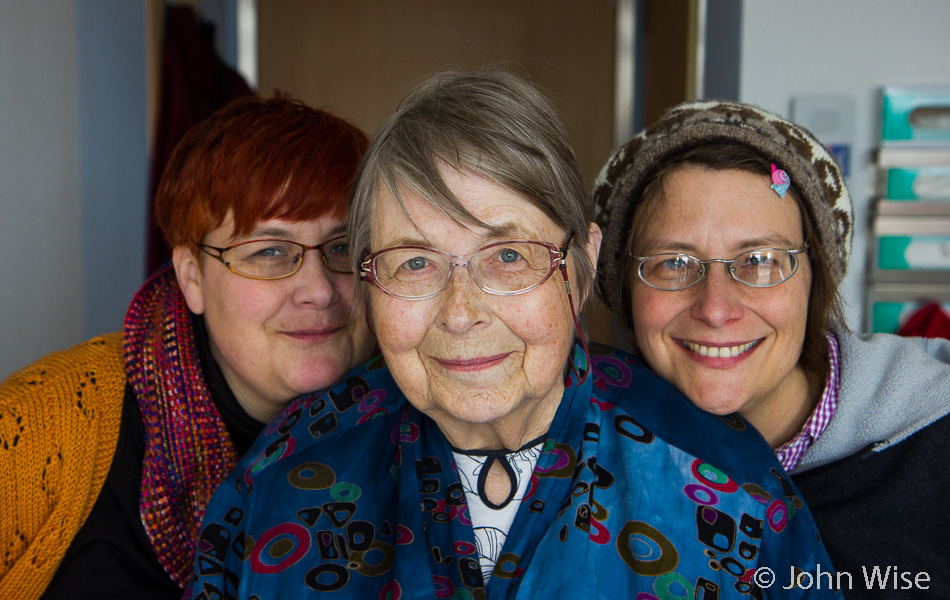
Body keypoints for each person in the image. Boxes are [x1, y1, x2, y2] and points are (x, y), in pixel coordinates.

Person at [186, 71, 839, 599]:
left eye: (508, 257)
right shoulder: (285, 471)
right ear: (367, 283)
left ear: (578, 271)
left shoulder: (727, 482)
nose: (461, 312)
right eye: (414, 263)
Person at [0, 94, 376, 600]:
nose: (320, 289)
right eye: (268, 250)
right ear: (191, 276)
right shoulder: (40, 426)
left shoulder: (423, 428)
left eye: (342, 247)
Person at [593, 100, 950, 596]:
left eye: (760, 260)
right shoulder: (584, 468)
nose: (716, 309)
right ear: (627, 292)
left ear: (814, 280)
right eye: (674, 263)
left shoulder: (936, 446)